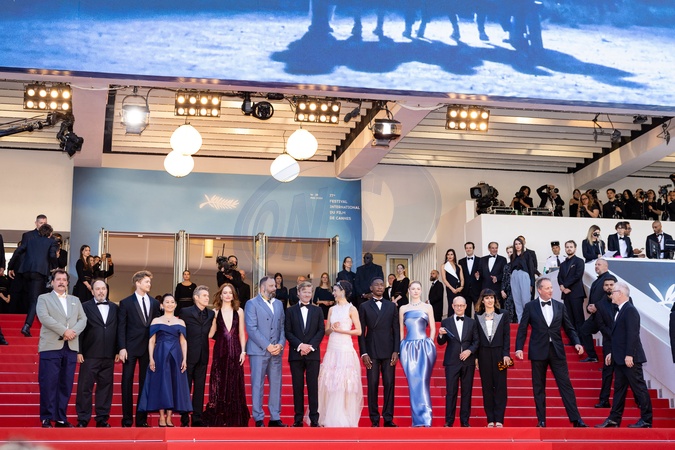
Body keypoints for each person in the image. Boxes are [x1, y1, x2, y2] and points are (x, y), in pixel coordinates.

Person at [515, 278, 588, 428]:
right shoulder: (530, 306)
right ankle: (541, 420)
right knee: (539, 387)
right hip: (538, 351)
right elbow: (522, 328)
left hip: (557, 351)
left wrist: (577, 342)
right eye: (547, 288)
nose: (551, 290)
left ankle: (576, 419)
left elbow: (569, 327)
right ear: (539, 290)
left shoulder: (560, 306)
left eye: (551, 288)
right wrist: (519, 348)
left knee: (565, 385)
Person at [596, 282, 653, 428]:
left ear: (620, 293)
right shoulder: (620, 310)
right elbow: (618, 337)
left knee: (639, 388)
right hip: (620, 358)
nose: (611, 295)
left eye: (613, 292)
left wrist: (629, 355)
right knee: (619, 390)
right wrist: (612, 353)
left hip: (629, 358)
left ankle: (646, 420)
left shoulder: (630, 310)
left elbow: (632, 334)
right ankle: (614, 419)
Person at [36, 269, 87, 428]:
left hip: (70, 347)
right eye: (58, 279)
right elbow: (44, 318)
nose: (61, 282)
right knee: (48, 383)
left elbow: (83, 319)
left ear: (67, 283)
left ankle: (60, 418)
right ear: (52, 282)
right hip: (51, 346)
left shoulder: (75, 300)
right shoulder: (43, 298)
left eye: (64, 280)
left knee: (66, 384)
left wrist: (72, 332)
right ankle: (46, 417)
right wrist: (64, 331)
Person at [138, 294, 192, 427]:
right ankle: (161, 416)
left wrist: (185, 359)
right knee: (161, 383)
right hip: (160, 354)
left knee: (173, 383)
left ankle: (169, 417)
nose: (170, 304)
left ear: (175, 305)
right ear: (162, 305)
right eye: (167, 302)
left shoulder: (181, 322)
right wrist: (151, 358)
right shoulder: (156, 321)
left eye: (172, 302)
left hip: (176, 354)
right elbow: (152, 341)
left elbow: (183, 342)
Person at [203, 283, 250, 427]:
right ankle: (219, 415)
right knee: (219, 381)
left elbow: (241, 333)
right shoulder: (215, 312)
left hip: (235, 350)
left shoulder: (239, 311)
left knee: (235, 381)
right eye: (225, 293)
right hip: (220, 350)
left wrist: (243, 351)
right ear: (221, 295)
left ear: (233, 295)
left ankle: (233, 416)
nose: (228, 295)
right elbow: (210, 334)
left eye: (230, 292)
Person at [118, 270, 161, 428]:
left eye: (150, 282)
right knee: (127, 383)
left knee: (145, 384)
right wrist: (122, 347)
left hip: (148, 350)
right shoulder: (126, 302)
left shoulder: (155, 303)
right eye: (146, 281)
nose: (149, 284)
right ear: (137, 283)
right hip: (129, 348)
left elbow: (156, 326)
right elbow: (121, 327)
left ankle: (141, 419)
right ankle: (127, 420)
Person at [317, 280, 363, 427]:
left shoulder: (352, 309)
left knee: (344, 382)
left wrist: (342, 330)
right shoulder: (332, 309)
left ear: (343, 291)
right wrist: (332, 328)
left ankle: (344, 416)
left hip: (345, 348)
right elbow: (326, 331)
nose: (333, 293)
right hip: (332, 348)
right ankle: (330, 416)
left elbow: (359, 331)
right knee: (330, 381)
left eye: (335, 290)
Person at [75, 279, 118, 428]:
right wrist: (79, 351)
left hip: (109, 355)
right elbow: (79, 330)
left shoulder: (114, 307)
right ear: (92, 291)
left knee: (105, 388)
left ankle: (102, 419)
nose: (101, 291)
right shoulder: (84, 306)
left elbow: (118, 329)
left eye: (103, 288)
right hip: (90, 354)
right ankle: (83, 418)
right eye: (98, 289)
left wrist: (118, 349)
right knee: (84, 387)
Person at [245, 276, 287, 427]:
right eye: (271, 286)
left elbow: (283, 327)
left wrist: (280, 345)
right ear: (263, 287)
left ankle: (275, 417)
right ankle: (258, 417)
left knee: (276, 384)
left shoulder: (279, 304)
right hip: (258, 351)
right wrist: (267, 345)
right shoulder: (251, 303)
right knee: (257, 384)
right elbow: (251, 328)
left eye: (275, 285)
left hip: (276, 351)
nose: (275, 288)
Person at [358, 277, 400, 427]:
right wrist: (363, 353)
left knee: (389, 383)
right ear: (371, 288)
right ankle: (374, 419)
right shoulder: (364, 306)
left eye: (382, 285)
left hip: (389, 350)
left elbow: (396, 329)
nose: (380, 287)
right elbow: (361, 332)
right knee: (373, 384)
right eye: (377, 285)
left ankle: (388, 418)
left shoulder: (391, 306)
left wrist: (396, 350)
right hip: (371, 350)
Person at [285, 281, 325, 427]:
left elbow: (321, 330)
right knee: (298, 387)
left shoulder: (318, 310)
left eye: (309, 292)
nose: (307, 294)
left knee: (313, 387)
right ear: (298, 293)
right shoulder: (290, 311)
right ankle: (298, 419)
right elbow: (287, 331)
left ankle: (314, 419)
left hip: (313, 354)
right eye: (305, 292)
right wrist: (300, 345)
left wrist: (310, 346)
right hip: (296, 354)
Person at [399, 281, 436, 427]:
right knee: (413, 384)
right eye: (413, 289)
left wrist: (430, 342)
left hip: (424, 347)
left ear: (421, 290)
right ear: (409, 291)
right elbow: (401, 329)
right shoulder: (403, 308)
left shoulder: (427, 307)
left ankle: (426, 418)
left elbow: (433, 327)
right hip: (407, 347)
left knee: (423, 381)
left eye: (418, 289)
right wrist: (401, 345)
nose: (415, 291)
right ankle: (417, 420)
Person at [12, 223, 59, 338]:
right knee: (35, 300)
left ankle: (36, 320)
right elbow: (52, 255)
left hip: (26, 272)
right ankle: (27, 325)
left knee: (33, 298)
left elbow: (18, 251)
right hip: (39, 273)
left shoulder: (30, 240)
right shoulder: (52, 242)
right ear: (50, 233)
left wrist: (11, 266)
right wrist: (55, 266)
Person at [437, 296, 478, 427]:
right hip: (451, 361)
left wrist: (469, 351)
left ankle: (465, 421)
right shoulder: (446, 322)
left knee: (467, 392)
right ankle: (449, 421)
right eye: (457, 305)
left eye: (461, 305)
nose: (459, 308)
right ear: (452, 306)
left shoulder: (472, 322)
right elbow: (441, 342)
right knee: (451, 392)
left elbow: (477, 341)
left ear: (466, 306)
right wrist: (440, 334)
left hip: (468, 361)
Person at [474, 289, 511, 427]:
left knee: (501, 386)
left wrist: (506, 354)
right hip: (483, 355)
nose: (489, 300)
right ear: (482, 300)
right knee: (487, 387)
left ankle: (499, 419)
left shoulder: (503, 314)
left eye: (491, 298)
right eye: (487, 298)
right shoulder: (477, 316)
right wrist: (476, 357)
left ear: (495, 300)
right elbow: (476, 338)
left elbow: (507, 335)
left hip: (500, 354)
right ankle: (490, 419)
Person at [179, 285, 215, 427]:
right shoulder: (185, 312)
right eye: (204, 295)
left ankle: (197, 418)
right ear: (196, 297)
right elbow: (180, 333)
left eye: (208, 295)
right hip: (188, 356)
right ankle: (184, 418)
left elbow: (211, 333)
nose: (207, 298)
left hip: (203, 355)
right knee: (185, 387)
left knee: (199, 388)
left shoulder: (211, 314)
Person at [8, 214, 48, 314]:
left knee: (37, 296)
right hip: (27, 270)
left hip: (41, 271)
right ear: (36, 223)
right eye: (41, 223)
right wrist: (11, 266)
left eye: (45, 223)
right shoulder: (28, 235)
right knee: (25, 294)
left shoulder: (49, 237)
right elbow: (20, 252)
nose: (43, 225)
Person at [579, 258, 614, 362]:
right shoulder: (596, 281)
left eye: (599, 264)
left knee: (607, 338)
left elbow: (609, 295)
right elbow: (592, 298)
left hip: (606, 315)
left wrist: (597, 306)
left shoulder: (610, 279)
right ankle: (592, 356)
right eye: (595, 265)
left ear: (606, 266)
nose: (596, 266)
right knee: (584, 330)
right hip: (595, 315)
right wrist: (589, 308)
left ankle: (609, 363)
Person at [591, 275, 618, 408]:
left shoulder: (625, 300)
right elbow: (601, 325)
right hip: (609, 342)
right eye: (606, 285)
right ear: (603, 287)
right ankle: (604, 400)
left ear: (616, 285)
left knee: (628, 373)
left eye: (611, 285)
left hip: (624, 342)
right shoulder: (600, 305)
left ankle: (639, 401)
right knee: (607, 372)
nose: (609, 287)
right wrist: (614, 335)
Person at [558, 240, 586, 335]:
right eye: (567, 247)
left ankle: (581, 340)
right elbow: (559, 277)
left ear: (575, 248)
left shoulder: (579, 261)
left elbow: (577, 276)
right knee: (569, 319)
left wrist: (565, 285)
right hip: (566, 294)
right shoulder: (562, 264)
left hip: (576, 294)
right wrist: (562, 287)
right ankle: (573, 339)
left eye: (571, 247)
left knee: (578, 318)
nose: (569, 249)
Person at [510, 237, 535, 323]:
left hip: (524, 276)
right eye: (516, 244)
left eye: (519, 244)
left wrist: (532, 284)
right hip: (514, 276)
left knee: (525, 300)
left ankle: (528, 321)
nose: (518, 246)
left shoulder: (527, 254)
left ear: (522, 244)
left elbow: (531, 269)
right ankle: (520, 322)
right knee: (517, 301)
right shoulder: (512, 256)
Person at [458, 242, 481, 317]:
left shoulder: (480, 260)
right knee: (466, 312)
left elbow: (482, 275)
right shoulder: (461, 261)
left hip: (476, 290)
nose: (468, 249)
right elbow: (460, 276)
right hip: (465, 291)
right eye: (467, 248)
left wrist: (478, 277)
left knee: (478, 311)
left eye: (470, 248)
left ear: (473, 249)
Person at [501, 245, 517, 323]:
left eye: (511, 252)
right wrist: (502, 290)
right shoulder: (506, 266)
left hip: (517, 291)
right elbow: (504, 279)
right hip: (508, 292)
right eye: (508, 252)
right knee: (508, 312)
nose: (509, 254)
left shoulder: (519, 265)